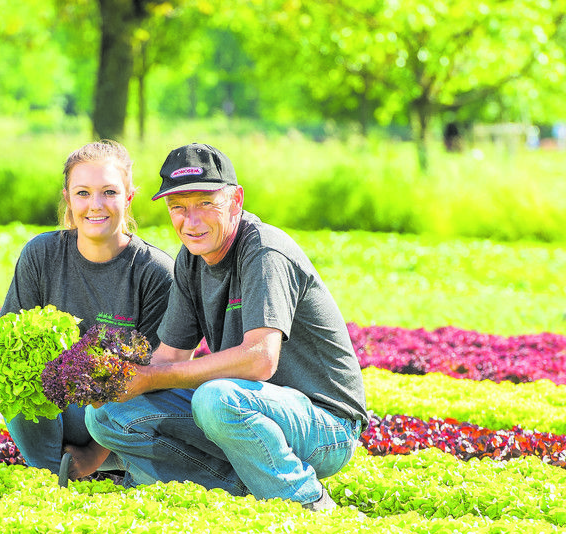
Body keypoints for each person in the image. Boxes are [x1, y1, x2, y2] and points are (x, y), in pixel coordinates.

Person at [79, 142, 367, 512]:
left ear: (235, 201)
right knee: (103, 415)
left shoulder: (264, 251)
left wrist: (152, 378)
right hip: (249, 412)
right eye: (178, 208)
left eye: (205, 204)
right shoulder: (191, 260)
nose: (191, 220)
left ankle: (308, 504)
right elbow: (169, 356)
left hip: (325, 425)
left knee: (216, 398)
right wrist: (119, 379)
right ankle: (244, 488)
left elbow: (259, 360)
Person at [0, 140, 175, 479]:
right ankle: (51, 475)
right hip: (53, 416)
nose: (95, 205)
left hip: (119, 423)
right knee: (17, 381)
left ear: (129, 197)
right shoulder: (41, 255)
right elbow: (8, 349)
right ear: (67, 197)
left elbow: (156, 382)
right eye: (83, 193)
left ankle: (95, 469)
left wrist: (93, 456)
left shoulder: (155, 272)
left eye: (109, 192)